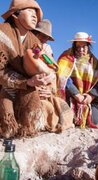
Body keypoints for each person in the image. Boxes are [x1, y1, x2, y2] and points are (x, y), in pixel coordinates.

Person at [0, 0, 73, 138]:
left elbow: (49, 64)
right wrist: (26, 83)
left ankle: (26, 124)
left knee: (54, 108)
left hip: (28, 88)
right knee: (5, 106)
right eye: (30, 11)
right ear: (15, 15)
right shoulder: (2, 33)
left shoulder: (33, 41)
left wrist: (48, 77)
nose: (35, 16)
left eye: (36, 13)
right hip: (5, 86)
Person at [57, 32, 98, 128]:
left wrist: (90, 96)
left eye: (84, 47)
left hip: (87, 97)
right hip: (70, 95)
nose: (81, 49)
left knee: (95, 120)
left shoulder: (95, 62)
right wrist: (76, 94)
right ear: (74, 46)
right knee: (66, 117)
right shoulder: (66, 57)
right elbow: (63, 77)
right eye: (78, 47)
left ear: (88, 47)